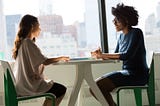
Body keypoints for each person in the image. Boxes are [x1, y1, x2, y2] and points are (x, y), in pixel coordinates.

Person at [90, 3, 149, 106]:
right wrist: (100, 55)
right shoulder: (121, 37)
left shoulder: (136, 32)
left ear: (125, 19)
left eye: (117, 19)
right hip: (127, 73)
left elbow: (126, 55)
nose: (114, 22)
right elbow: (115, 56)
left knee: (96, 87)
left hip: (138, 75)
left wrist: (103, 55)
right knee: (94, 87)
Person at [12, 14, 70, 106]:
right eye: (38, 26)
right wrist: (61, 58)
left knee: (53, 92)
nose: (40, 29)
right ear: (32, 26)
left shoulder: (23, 42)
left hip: (22, 84)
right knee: (61, 89)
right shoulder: (27, 42)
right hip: (28, 85)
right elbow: (45, 61)